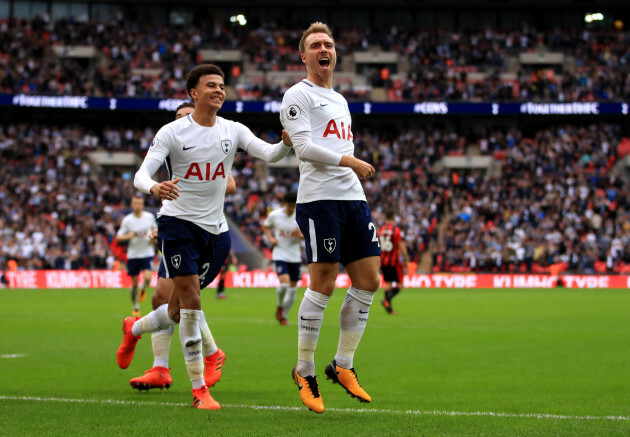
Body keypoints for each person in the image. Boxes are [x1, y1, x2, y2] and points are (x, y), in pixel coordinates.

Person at [117, 63, 292, 410]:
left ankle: (134, 330)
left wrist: (285, 144)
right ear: (194, 93)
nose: (219, 90)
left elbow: (270, 154)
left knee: (178, 309)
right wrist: (154, 187)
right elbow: (141, 174)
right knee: (192, 304)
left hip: (217, 232)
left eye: (222, 85)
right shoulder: (172, 132)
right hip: (178, 226)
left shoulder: (234, 130)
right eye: (211, 85)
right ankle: (200, 391)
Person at [280, 22, 381, 414]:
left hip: (352, 198)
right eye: (316, 45)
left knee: (369, 280)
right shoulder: (297, 94)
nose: (325, 49)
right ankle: (304, 370)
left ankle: (342, 365)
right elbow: (303, 148)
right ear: (303, 56)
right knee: (322, 283)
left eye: (329, 44)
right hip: (320, 199)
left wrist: (350, 169)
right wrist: (350, 161)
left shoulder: (339, 99)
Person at [126, 102, 235, 392]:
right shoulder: (172, 143)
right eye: (177, 118)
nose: (182, 122)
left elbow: (232, 185)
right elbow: (153, 181)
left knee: (182, 302)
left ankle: (210, 353)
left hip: (204, 232)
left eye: (187, 116)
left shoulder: (212, 144)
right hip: (176, 229)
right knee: (162, 298)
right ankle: (160, 367)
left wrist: (201, 183)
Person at [261, 191, 303, 325]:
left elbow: (307, 234)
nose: (291, 209)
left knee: (293, 290)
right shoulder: (275, 215)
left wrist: (301, 235)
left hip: (295, 255)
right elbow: (265, 226)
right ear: (285, 204)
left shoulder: (301, 216)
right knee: (284, 284)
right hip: (280, 253)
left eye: (293, 206)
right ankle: (279, 306)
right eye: (289, 206)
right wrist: (271, 238)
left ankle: (283, 316)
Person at [116, 193, 157, 317]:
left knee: (148, 277)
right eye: (135, 203)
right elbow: (118, 237)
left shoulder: (149, 217)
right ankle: (135, 306)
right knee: (133, 283)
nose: (137, 206)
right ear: (132, 205)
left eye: (139, 203)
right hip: (133, 254)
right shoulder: (127, 220)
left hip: (147, 252)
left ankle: (143, 289)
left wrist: (153, 239)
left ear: (143, 205)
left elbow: (156, 231)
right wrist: (129, 236)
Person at [378, 210, 409, 315]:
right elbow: (401, 247)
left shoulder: (381, 230)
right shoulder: (396, 230)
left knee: (388, 285)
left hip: (383, 261)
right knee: (400, 285)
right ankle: (387, 300)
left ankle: (389, 309)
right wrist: (406, 258)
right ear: (393, 218)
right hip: (394, 261)